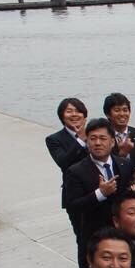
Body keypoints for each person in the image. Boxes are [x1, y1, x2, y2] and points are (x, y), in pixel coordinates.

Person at [64, 118, 135, 268]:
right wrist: (100, 194)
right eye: (93, 138)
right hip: (93, 236)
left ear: (112, 142)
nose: (97, 143)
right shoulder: (75, 171)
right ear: (87, 141)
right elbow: (72, 205)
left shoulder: (125, 164)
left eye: (102, 138)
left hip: (123, 235)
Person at [46, 97, 89, 238]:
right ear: (62, 116)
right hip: (75, 195)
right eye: (69, 111)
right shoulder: (54, 139)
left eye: (78, 111)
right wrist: (80, 140)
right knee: (83, 237)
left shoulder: (94, 135)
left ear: (84, 115)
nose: (74, 114)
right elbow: (63, 162)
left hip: (99, 191)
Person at [104, 92, 135, 158]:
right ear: (108, 114)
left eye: (125, 110)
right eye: (117, 110)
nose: (122, 114)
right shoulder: (103, 137)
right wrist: (122, 154)